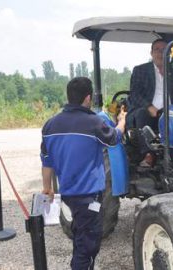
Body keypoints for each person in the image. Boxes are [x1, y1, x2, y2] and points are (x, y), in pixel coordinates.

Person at [40, 77, 126, 270]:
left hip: (68, 194)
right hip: (89, 197)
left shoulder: (50, 125)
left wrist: (47, 188)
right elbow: (114, 139)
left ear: (69, 96)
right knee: (88, 245)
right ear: (88, 98)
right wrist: (121, 122)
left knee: (80, 236)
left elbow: (46, 162)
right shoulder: (93, 122)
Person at [127, 38, 173, 166]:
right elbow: (135, 94)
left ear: (169, 54)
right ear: (151, 53)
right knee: (142, 114)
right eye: (157, 50)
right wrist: (150, 107)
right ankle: (148, 154)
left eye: (164, 50)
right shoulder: (140, 70)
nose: (160, 53)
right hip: (148, 112)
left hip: (169, 113)